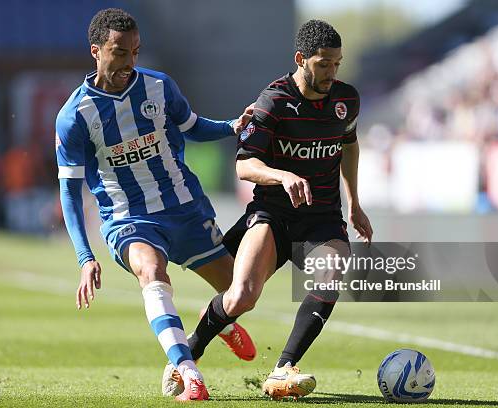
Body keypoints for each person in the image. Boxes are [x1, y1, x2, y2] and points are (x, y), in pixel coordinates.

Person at [55, 8, 256, 401]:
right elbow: (68, 191)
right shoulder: (74, 116)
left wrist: (232, 126)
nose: (129, 63)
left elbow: (193, 127)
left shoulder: (159, 87)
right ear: (96, 51)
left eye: (135, 52)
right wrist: (85, 256)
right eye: (119, 53)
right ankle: (189, 372)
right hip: (127, 216)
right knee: (151, 271)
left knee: (242, 292)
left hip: (183, 206)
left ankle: (211, 321)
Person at [170, 19, 373, 400]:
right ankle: (188, 353)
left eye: (337, 64)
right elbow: (244, 165)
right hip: (273, 213)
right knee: (241, 297)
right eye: (323, 64)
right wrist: (283, 176)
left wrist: (355, 202)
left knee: (331, 272)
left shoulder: (347, 100)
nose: (331, 73)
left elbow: (349, 145)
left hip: (322, 216)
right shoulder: (274, 101)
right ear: (301, 59)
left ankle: (282, 369)